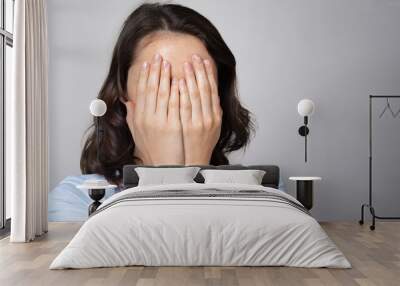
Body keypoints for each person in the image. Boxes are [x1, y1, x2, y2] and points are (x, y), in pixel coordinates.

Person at [80, 2, 254, 187]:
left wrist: (197, 167)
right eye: (159, 83)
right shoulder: (77, 198)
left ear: (218, 94)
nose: (178, 102)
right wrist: (163, 173)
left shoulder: (264, 192)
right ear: (122, 89)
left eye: (194, 83)